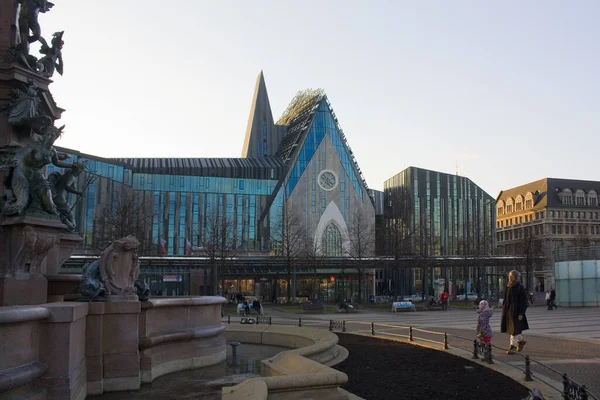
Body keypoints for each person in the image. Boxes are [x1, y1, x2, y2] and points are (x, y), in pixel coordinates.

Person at [501, 270, 529, 354]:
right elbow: (506, 299)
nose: (510, 277)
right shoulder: (508, 286)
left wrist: (521, 313)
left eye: (512, 275)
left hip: (516, 312)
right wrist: (504, 308)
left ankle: (512, 346)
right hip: (509, 311)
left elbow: (524, 301)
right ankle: (522, 340)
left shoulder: (519, 287)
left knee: (514, 329)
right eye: (509, 275)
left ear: (516, 277)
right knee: (512, 329)